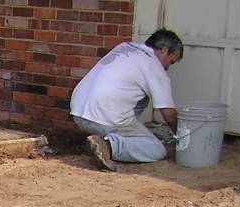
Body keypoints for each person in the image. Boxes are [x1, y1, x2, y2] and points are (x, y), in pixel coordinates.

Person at [70, 29, 184, 171]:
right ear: (164, 50)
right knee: (157, 150)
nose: (167, 68)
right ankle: (108, 146)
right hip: (103, 119)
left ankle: (110, 137)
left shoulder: (124, 47)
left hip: (78, 113)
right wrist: (183, 137)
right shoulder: (154, 67)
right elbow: (170, 117)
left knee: (141, 98)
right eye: (171, 61)